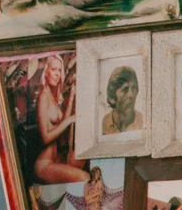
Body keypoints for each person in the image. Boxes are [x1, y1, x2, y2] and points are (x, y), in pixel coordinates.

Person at [34, 54, 88, 184]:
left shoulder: (52, 97)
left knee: (86, 156)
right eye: (53, 70)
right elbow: (45, 137)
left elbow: (62, 128)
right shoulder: (43, 96)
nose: (57, 74)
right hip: (44, 164)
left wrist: (71, 97)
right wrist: (69, 120)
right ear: (45, 72)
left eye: (59, 70)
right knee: (85, 178)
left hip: (56, 158)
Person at [101, 64, 144, 135]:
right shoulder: (105, 123)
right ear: (112, 98)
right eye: (125, 90)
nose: (131, 95)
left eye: (133, 88)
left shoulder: (142, 121)